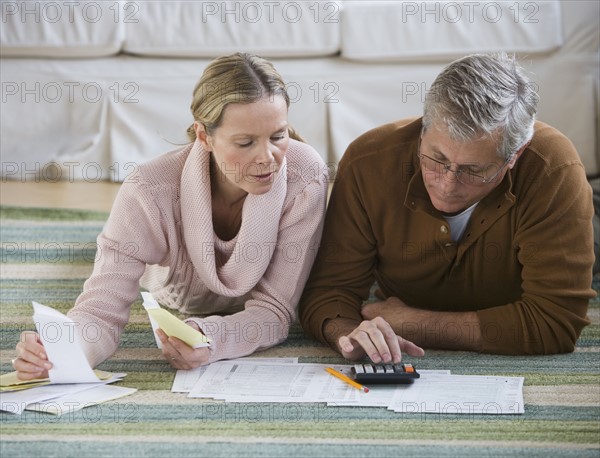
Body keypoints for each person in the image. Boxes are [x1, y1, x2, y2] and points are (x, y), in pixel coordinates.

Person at [13, 53, 329, 379]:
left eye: (278, 136)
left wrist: (213, 339)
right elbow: (101, 310)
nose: (268, 158)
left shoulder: (305, 177)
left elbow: (274, 312)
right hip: (164, 281)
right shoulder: (148, 191)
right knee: (106, 259)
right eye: (245, 142)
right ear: (204, 136)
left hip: (226, 304)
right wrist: (59, 352)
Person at [299, 53, 596, 363]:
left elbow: (555, 323)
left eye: (474, 169)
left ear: (515, 157)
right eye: (437, 158)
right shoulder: (367, 163)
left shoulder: (553, 169)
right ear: (422, 131)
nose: (448, 184)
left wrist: (413, 323)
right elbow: (329, 290)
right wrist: (350, 334)